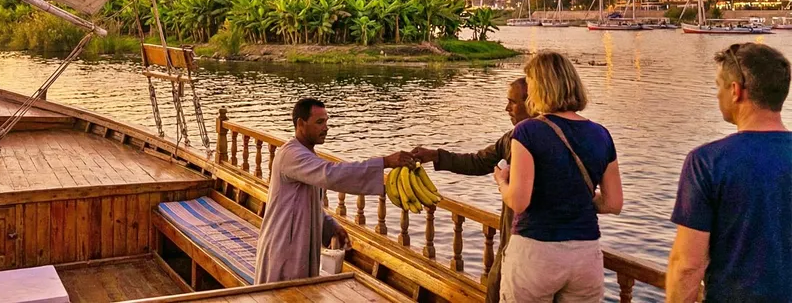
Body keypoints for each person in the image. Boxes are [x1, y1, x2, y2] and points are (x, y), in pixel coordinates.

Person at [493, 51, 624, 302]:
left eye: (530, 85)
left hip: (536, 251)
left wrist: (502, 182)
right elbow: (613, 203)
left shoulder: (528, 131)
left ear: (541, 88)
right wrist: (574, 196)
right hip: (585, 254)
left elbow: (519, 201)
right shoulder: (601, 134)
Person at [666, 43, 792, 302]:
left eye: (718, 86)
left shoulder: (707, 162)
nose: (716, 95)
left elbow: (688, 266)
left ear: (735, 91)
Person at [254, 98, 416, 284]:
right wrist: (385, 162)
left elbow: (306, 204)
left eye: (327, 121)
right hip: (284, 246)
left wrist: (330, 226)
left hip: (297, 244)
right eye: (319, 122)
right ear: (300, 124)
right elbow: (331, 174)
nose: (326, 128)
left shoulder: (307, 155)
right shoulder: (291, 155)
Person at [410, 77, 532, 303]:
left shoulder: (529, 139)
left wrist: (502, 182)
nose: (507, 108)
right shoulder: (510, 139)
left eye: (513, 102)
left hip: (528, 248)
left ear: (534, 102)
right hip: (518, 246)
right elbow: (477, 162)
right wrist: (436, 156)